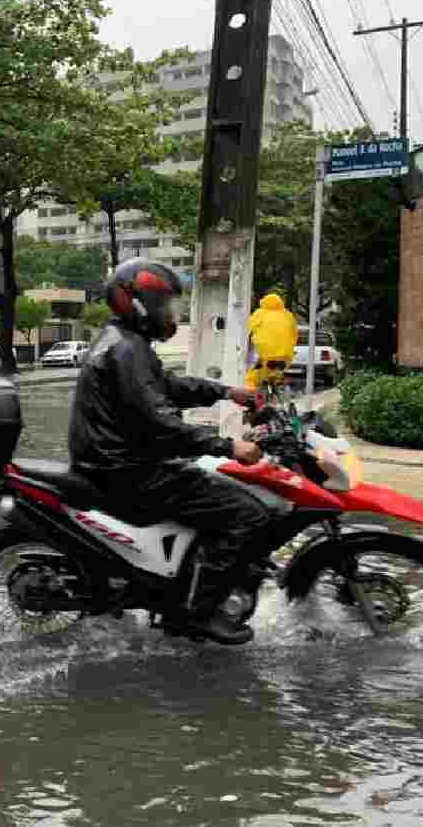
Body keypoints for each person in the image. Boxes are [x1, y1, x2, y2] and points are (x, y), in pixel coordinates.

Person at [68, 259, 267, 645]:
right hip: (128, 471)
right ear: (136, 304)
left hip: (117, 463)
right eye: (162, 305)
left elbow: (168, 387)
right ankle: (198, 614)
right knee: (247, 515)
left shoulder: (125, 342)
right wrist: (229, 446)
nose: (169, 315)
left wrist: (226, 392)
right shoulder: (126, 350)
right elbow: (160, 423)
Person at [245, 292, 299, 391]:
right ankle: (277, 391)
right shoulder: (288, 315)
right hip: (285, 357)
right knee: (274, 375)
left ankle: (251, 398)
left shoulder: (259, 313)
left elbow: (247, 329)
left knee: (250, 379)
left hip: (266, 356)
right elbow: (295, 335)